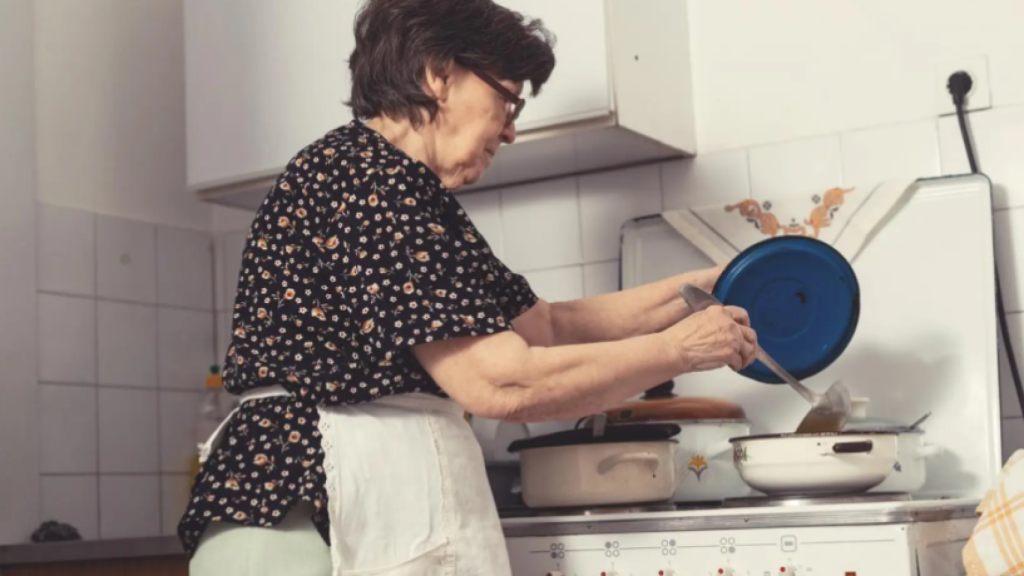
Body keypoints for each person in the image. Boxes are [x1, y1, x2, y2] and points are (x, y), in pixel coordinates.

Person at [180, 0, 758, 574]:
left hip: (314, 508)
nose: (510, 130)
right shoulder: (369, 182)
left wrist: (709, 286)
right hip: (299, 516)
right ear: (440, 74)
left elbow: (547, 327)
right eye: (508, 99)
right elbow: (500, 381)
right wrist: (681, 350)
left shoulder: (406, 193)